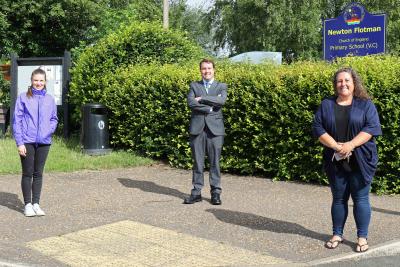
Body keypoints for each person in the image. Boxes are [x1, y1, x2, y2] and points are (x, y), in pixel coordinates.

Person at [312, 67, 382, 253]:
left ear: (354, 83)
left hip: (361, 160)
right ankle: (337, 234)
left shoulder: (366, 104)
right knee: (338, 199)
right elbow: (318, 128)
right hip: (335, 159)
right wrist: (336, 147)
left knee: (360, 199)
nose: (343, 84)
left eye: (347, 80)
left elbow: (371, 128)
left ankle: (362, 237)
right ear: (335, 85)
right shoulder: (326, 104)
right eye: (339, 81)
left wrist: (350, 145)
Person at [13, 68, 58, 217]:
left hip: (44, 142)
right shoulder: (23, 97)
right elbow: (17, 121)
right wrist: (20, 143)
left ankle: (36, 204)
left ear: (45, 82)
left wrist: (48, 131)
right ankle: (27, 205)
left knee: (39, 173)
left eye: (41, 80)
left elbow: (54, 119)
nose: (38, 83)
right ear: (31, 81)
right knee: (28, 173)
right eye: (36, 80)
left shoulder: (50, 99)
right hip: (27, 141)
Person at [184, 58, 227, 205]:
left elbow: (221, 102)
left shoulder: (221, 86)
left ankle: (215, 193)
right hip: (197, 130)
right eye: (204, 68)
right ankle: (196, 192)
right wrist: (209, 107)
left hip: (215, 131)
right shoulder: (194, 85)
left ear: (214, 70)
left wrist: (201, 98)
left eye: (209, 68)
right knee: (198, 163)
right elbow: (191, 103)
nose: (206, 71)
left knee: (215, 162)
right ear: (200, 70)